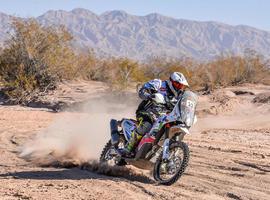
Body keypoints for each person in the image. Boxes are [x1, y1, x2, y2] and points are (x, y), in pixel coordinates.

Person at [120, 72, 189, 157]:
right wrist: (150, 96)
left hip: (165, 117)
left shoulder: (180, 95)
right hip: (147, 112)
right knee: (147, 125)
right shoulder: (159, 84)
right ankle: (128, 148)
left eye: (181, 86)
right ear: (171, 81)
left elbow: (185, 105)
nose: (179, 87)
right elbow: (142, 91)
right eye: (177, 84)